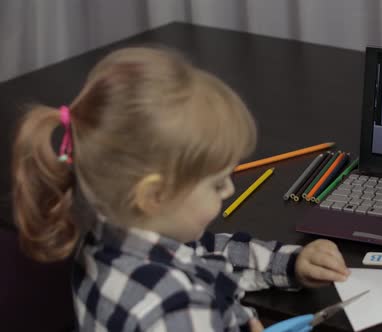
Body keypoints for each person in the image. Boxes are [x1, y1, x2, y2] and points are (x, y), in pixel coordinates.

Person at [11, 47, 350, 331]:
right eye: (217, 183)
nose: (230, 189)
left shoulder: (106, 237)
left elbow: (205, 256)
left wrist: (289, 263)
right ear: (154, 195)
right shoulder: (177, 311)